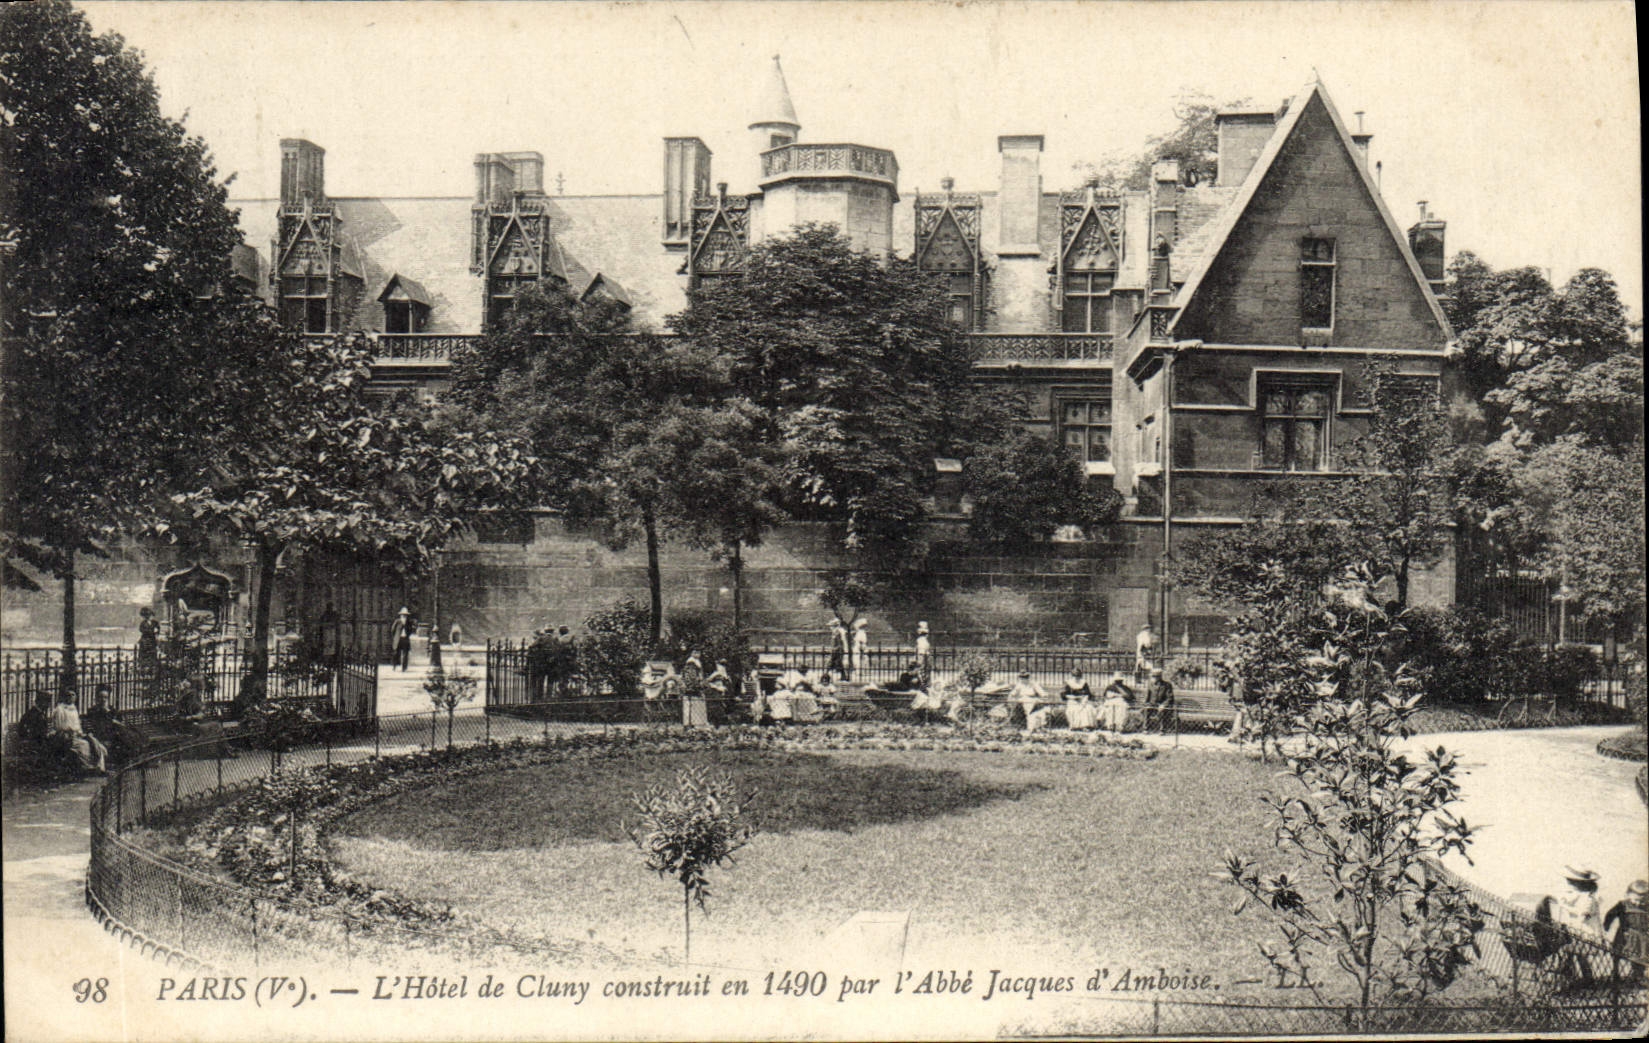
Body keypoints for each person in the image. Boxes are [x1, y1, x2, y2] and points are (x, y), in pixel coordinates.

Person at [1556, 866, 1604, 984]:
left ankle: (1581, 980)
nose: (1568, 884)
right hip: (1577, 930)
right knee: (1576, 955)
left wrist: (1564, 906)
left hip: (1586, 931)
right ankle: (1579, 979)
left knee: (1576, 954)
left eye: (1571, 882)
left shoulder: (1588, 899)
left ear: (1579, 884)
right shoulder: (1578, 895)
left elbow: (1581, 914)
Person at [52, 691, 108, 773]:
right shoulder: (60, 709)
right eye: (68, 695)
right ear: (64, 697)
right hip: (66, 736)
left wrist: (80, 733)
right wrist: (70, 730)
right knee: (84, 745)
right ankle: (88, 766)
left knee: (95, 742)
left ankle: (100, 766)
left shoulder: (73, 708)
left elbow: (77, 725)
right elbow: (59, 726)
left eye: (73, 695)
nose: (71, 697)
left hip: (77, 735)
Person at [1604, 880, 1649, 982]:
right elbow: (1610, 915)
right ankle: (1615, 972)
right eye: (1635, 900)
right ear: (1628, 895)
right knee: (1618, 953)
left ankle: (1637, 975)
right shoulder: (1623, 905)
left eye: (1642, 901)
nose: (1638, 903)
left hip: (1641, 936)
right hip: (1625, 934)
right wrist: (1606, 927)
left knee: (1640, 956)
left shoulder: (1646, 906)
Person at [1140, 666, 1175, 733]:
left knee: (1162, 711)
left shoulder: (1167, 685)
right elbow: (1147, 696)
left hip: (1162, 705)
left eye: (1154, 677)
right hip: (1152, 704)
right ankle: (1146, 729)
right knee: (1146, 709)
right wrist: (1145, 704)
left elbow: (1170, 698)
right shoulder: (1150, 684)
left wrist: (1163, 705)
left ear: (1159, 677)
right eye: (1152, 676)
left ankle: (1162, 730)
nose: (1153, 678)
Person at [679, 650, 708, 729]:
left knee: (693, 707)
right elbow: (691, 678)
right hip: (692, 689)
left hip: (693, 688)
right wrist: (698, 685)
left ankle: (695, 724)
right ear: (692, 653)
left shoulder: (696, 663)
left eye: (699, 652)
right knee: (692, 706)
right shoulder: (691, 664)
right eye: (696, 652)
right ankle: (693, 725)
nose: (698, 654)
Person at [915, 621, 932, 689]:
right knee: (922, 671)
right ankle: (923, 684)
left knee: (925, 671)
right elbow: (921, 653)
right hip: (923, 657)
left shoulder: (923, 640)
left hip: (925, 657)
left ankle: (925, 683)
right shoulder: (921, 640)